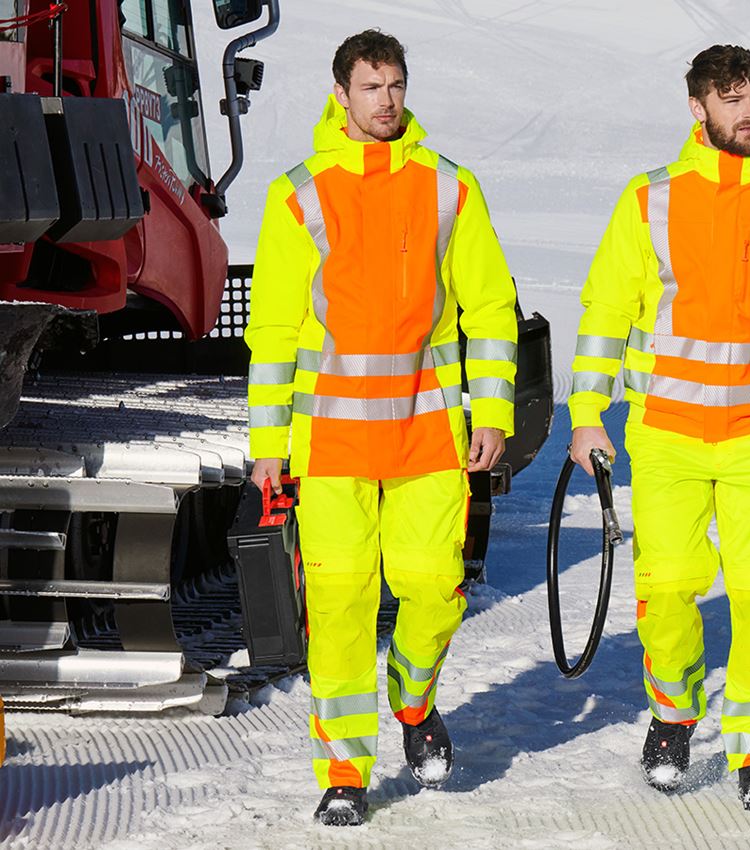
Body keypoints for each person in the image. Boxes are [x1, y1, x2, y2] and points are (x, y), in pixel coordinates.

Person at [568, 44, 750, 811]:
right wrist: (588, 415)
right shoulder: (648, 200)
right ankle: (673, 715)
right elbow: (606, 313)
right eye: (732, 99)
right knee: (667, 590)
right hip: (665, 434)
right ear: (698, 109)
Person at [245, 29, 518, 827]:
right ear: (340, 95)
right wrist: (268, 447)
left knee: (435, 589)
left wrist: (494, 412)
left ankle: (413, 696)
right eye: (371, 88)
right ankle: (344, 768)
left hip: (427, 438)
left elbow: (490, 308)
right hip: (330, 448)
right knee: (337, 609)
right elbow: (274, 331)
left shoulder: (448, 188)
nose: (388, 100)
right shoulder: (297, 194)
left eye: (396, 85)